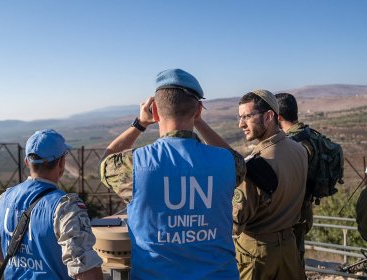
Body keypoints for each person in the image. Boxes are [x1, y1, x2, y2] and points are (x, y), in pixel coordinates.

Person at [100, 68, 246, 279]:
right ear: (197, 111)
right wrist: (198, 120)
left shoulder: (136, 165)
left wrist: (139, 124)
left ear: (156, 112)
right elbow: (237, 160)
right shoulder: (226, 163)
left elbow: (107, 161)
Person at [0, 129, 103, 280]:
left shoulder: (4, 198)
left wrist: (19, 266)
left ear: (27, 162)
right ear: (61, 163)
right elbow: (85, 269)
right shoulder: (66, 206)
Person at [232, 89, 307, 280]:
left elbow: (235, 223)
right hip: (290, 248)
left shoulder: (256, 165)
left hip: (257, 255)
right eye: (240, 117)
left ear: (268, 116)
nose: (241, 124)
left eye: (247, 116)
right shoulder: (299, 150)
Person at [275, 92, 314, 268]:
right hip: (305, 208)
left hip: (292, 212)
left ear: (278, 116)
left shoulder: (291, 144)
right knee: (297, 257)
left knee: (292, 263)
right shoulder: (310, 136)